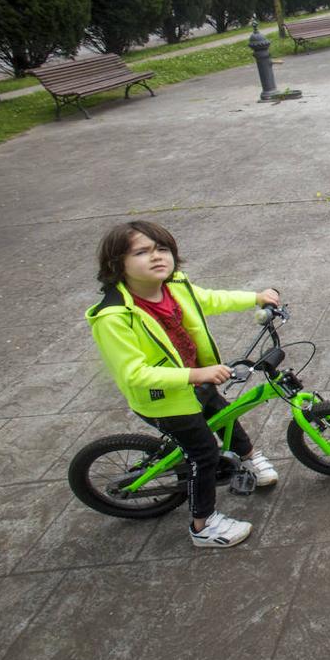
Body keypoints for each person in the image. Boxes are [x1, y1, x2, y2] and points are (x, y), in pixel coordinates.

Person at [86, 220, 281, 548]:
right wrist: (196, 375)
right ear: (116, 264)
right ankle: (203, 526)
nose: (156, 257)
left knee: (225, 414)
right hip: (165, 399)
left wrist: (256, 298)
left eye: (162, 249)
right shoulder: (114, 318)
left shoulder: (175, 286)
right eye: (142, 252)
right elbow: (134, 373)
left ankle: (248, 456)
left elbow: (210, 300)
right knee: (203, 453)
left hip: (197, 381)